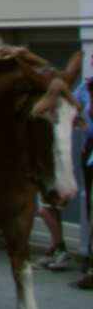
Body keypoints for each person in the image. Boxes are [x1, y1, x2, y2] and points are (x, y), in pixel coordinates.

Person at [70, 73, 93, 289]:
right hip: (90, 150)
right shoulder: (86, 87)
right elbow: (70, 105)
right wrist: (78, 120)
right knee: (90, 208)